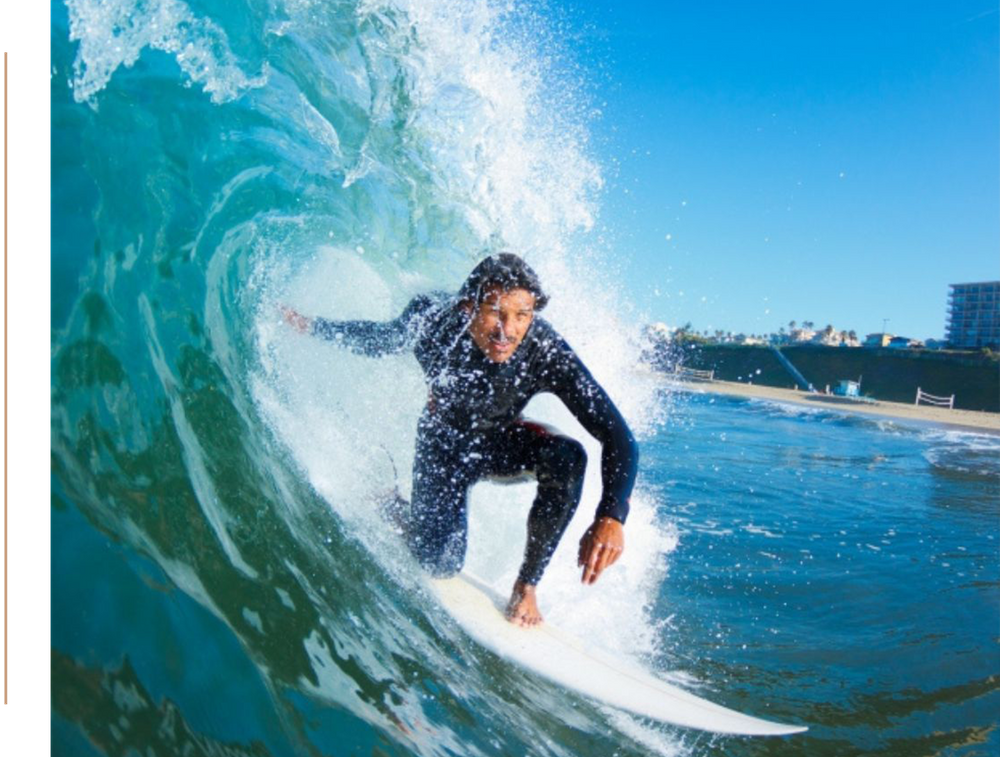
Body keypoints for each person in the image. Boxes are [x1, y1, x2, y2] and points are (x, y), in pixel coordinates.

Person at [282, 253, 638, 626]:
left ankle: (527, 586)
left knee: (567, 457)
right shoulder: (435, 320)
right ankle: (395, 509)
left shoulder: (544, 349)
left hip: (500, 442)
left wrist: (613, 515)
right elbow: (381, 339)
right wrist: (311, 326)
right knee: (439, 562)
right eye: (496, 312)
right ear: (469, 305)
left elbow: (618, 435)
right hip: (443, 445)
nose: (509, 330)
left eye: (523, 314)